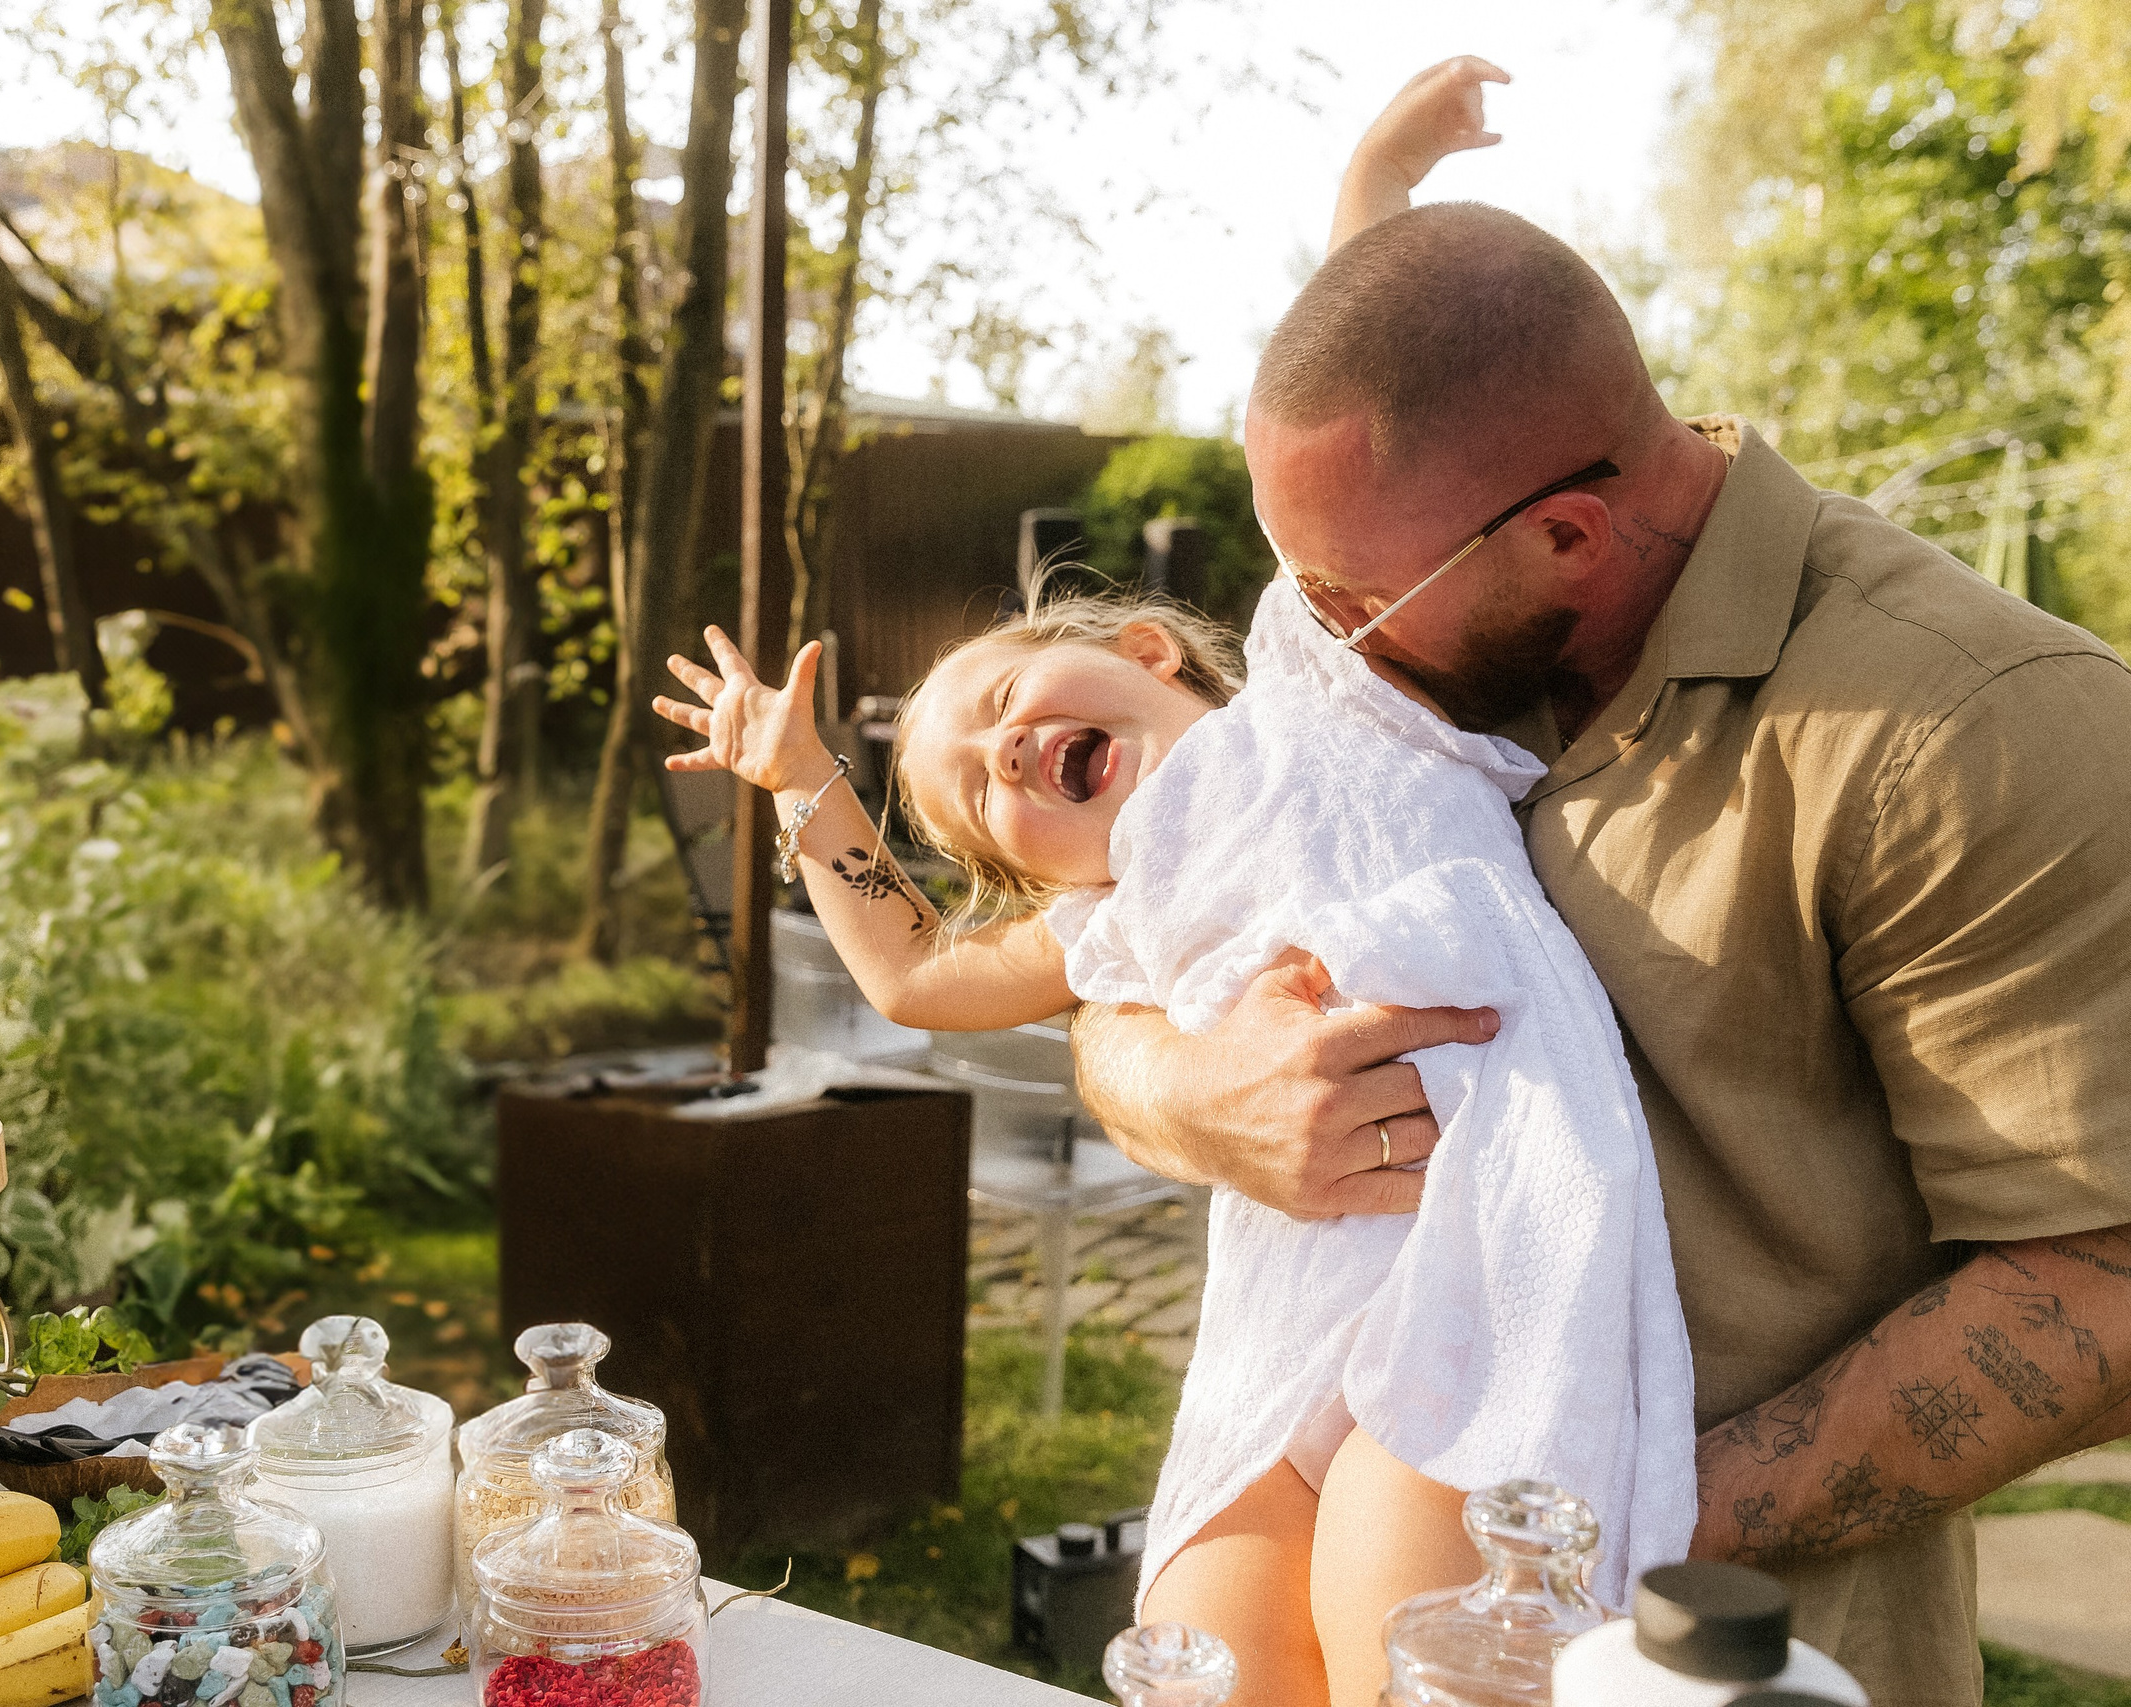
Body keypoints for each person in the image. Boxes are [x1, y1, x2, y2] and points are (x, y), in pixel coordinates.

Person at [1066, 76, 2131, 1707]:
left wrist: (1552, 1521)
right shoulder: (1426, 633)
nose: (1317, 640)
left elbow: (2101, 1285)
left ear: (1569, 536)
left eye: (1349, 599)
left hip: (1737, 1652)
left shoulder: (1973, 728)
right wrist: (1186, 1093)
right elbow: (1112, 979)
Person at [653, 62, 1693, 1707]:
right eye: (979, 801)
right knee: (1201, 1638)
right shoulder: (1118, 913)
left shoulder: (1326, 681)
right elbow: (917, 979)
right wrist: (807, 790)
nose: (1003, 761)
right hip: (1292, 1292)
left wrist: (1380, 175)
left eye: (1003, 708)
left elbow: (1371, 400)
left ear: (1143, 651)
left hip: (1482, 1253)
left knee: (1421, 1638)